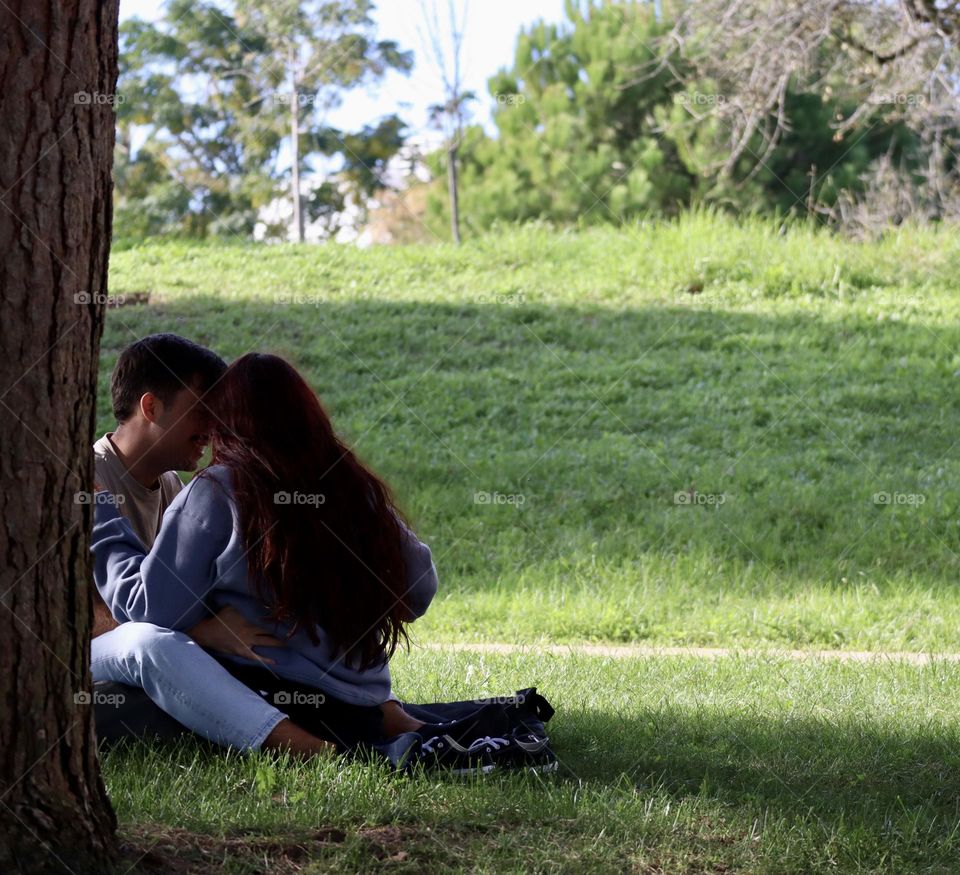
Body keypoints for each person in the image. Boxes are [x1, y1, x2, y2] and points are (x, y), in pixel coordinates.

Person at [92, 352, 442, 749]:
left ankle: (312, 751)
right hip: (357, 704)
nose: (208, 426)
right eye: (201, 409)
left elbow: (148, 610)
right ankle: (396, 725)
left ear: (231, 419)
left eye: (215, 411)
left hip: (276, 695)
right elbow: (419, 590)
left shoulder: (216, 490)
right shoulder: (350, 484)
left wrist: (101, 519)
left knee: (150, 654)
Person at [90, 335, 338, 756]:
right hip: (109, 654)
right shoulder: (86, 480)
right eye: (203, 410)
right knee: (153, 644)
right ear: (151, 408)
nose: (216, 427)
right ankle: (302, 748)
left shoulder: (171, 486)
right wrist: (203, 632)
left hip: (163, 655)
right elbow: (80, 617)